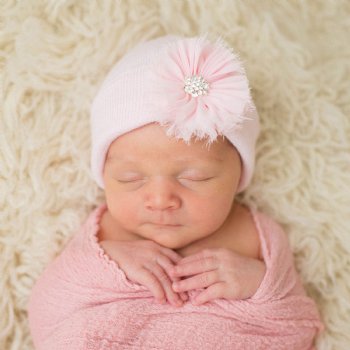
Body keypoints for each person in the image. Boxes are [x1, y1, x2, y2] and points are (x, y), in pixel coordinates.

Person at [28, 34, 323, 349]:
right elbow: (46, 314)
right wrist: (106, 265)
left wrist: (258, 283)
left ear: (238, 174)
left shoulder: (255, 235)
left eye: (195, 177)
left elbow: (299, 325)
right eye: (131, 179)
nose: (160, 200)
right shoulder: (105, 237)